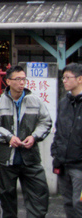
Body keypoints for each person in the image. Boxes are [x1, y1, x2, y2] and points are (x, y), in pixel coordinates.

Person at [0, 65, 52, 218]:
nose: (22, 82)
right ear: (8, 81)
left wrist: (34, 136)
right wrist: (8, 137)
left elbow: (46, 122)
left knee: (39, 195)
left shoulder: (35, 100)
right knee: (6, 198)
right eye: (18, 79)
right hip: (6, 159)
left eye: (23, 79)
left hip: (30, 157)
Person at [52, 63, 82, 218]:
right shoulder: (64, 102)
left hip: (79, 166)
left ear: (80, 79)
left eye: (68, 77)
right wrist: (55, 153)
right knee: (68, 203)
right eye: (63, 78)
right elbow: (59, 130)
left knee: (79, 203)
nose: (64, 81)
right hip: (63, 163)